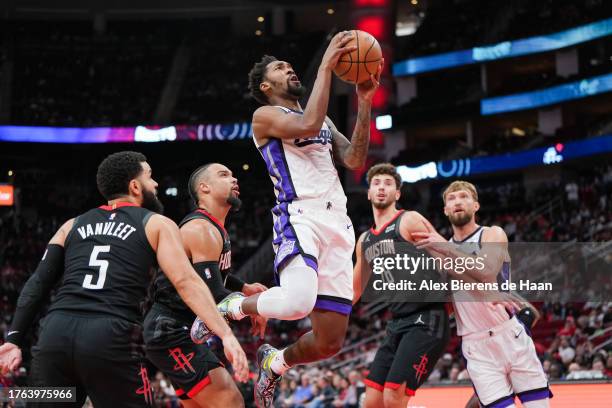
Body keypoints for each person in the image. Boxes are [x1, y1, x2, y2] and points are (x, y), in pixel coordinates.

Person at [0, 151, 248, 407]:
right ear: (135, 186)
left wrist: (13, 340)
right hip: (110, 337)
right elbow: (187, 282)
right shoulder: (158, 224)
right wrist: (225, 334)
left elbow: (38, 283)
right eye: (150, 177)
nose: (156, 184)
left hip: (54, 336)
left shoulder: (71, 225)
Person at [216, 31, 381, 407]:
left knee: (329, 342)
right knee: (295, 303)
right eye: (280, 68)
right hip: (300, 214)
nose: (289, 69)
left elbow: (354, 159)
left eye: (290, 65)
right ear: (265, 84)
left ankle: (276, 362)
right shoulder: (265, 116)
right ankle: (232, 306)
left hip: (337, 221)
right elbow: (306, 124)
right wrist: (325, 64)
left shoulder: (322, 121)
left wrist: (364, 101)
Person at [413, 180, 552, 408]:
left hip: (509, 334)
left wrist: (445, 249)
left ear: (476, 205)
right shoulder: (440, 248)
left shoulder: (492, 234)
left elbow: (486, 272)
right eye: (451, 199)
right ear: (445, 210)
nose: (457, 201)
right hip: (475, 344)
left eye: (463, 196)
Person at [144, 162, 266, 408]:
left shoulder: (212, 228)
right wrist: (259, 307)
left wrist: (244, 288)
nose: (234, 180)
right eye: (224, 175)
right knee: (230, 400)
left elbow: (211, 273)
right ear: (204, 188)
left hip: (179, 331)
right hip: (170, 331)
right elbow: (214, 293)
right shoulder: (200, 229)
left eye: (233, 175)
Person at [352, 163, 450, 408]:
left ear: (397, 194)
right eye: (376, 183)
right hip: (397, 322)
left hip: (427, 318)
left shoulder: (409, 220)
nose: (381, 188)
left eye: (388, 184)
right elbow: (354, 289)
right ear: (369, 193)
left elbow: (448, 260)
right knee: (372, 400)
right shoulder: (364, 240)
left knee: (394, 396)